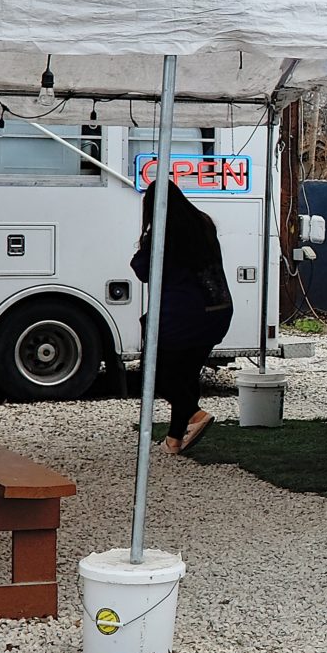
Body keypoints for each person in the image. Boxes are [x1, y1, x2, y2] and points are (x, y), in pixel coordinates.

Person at [131, 178, 234, 454]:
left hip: (181, 315)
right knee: (186, 375)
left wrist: (142, 245)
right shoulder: (203, 222)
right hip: (217, 309)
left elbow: (143, 270)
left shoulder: (163, 232)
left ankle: (195, 414)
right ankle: (175, 440)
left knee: (158, 375)